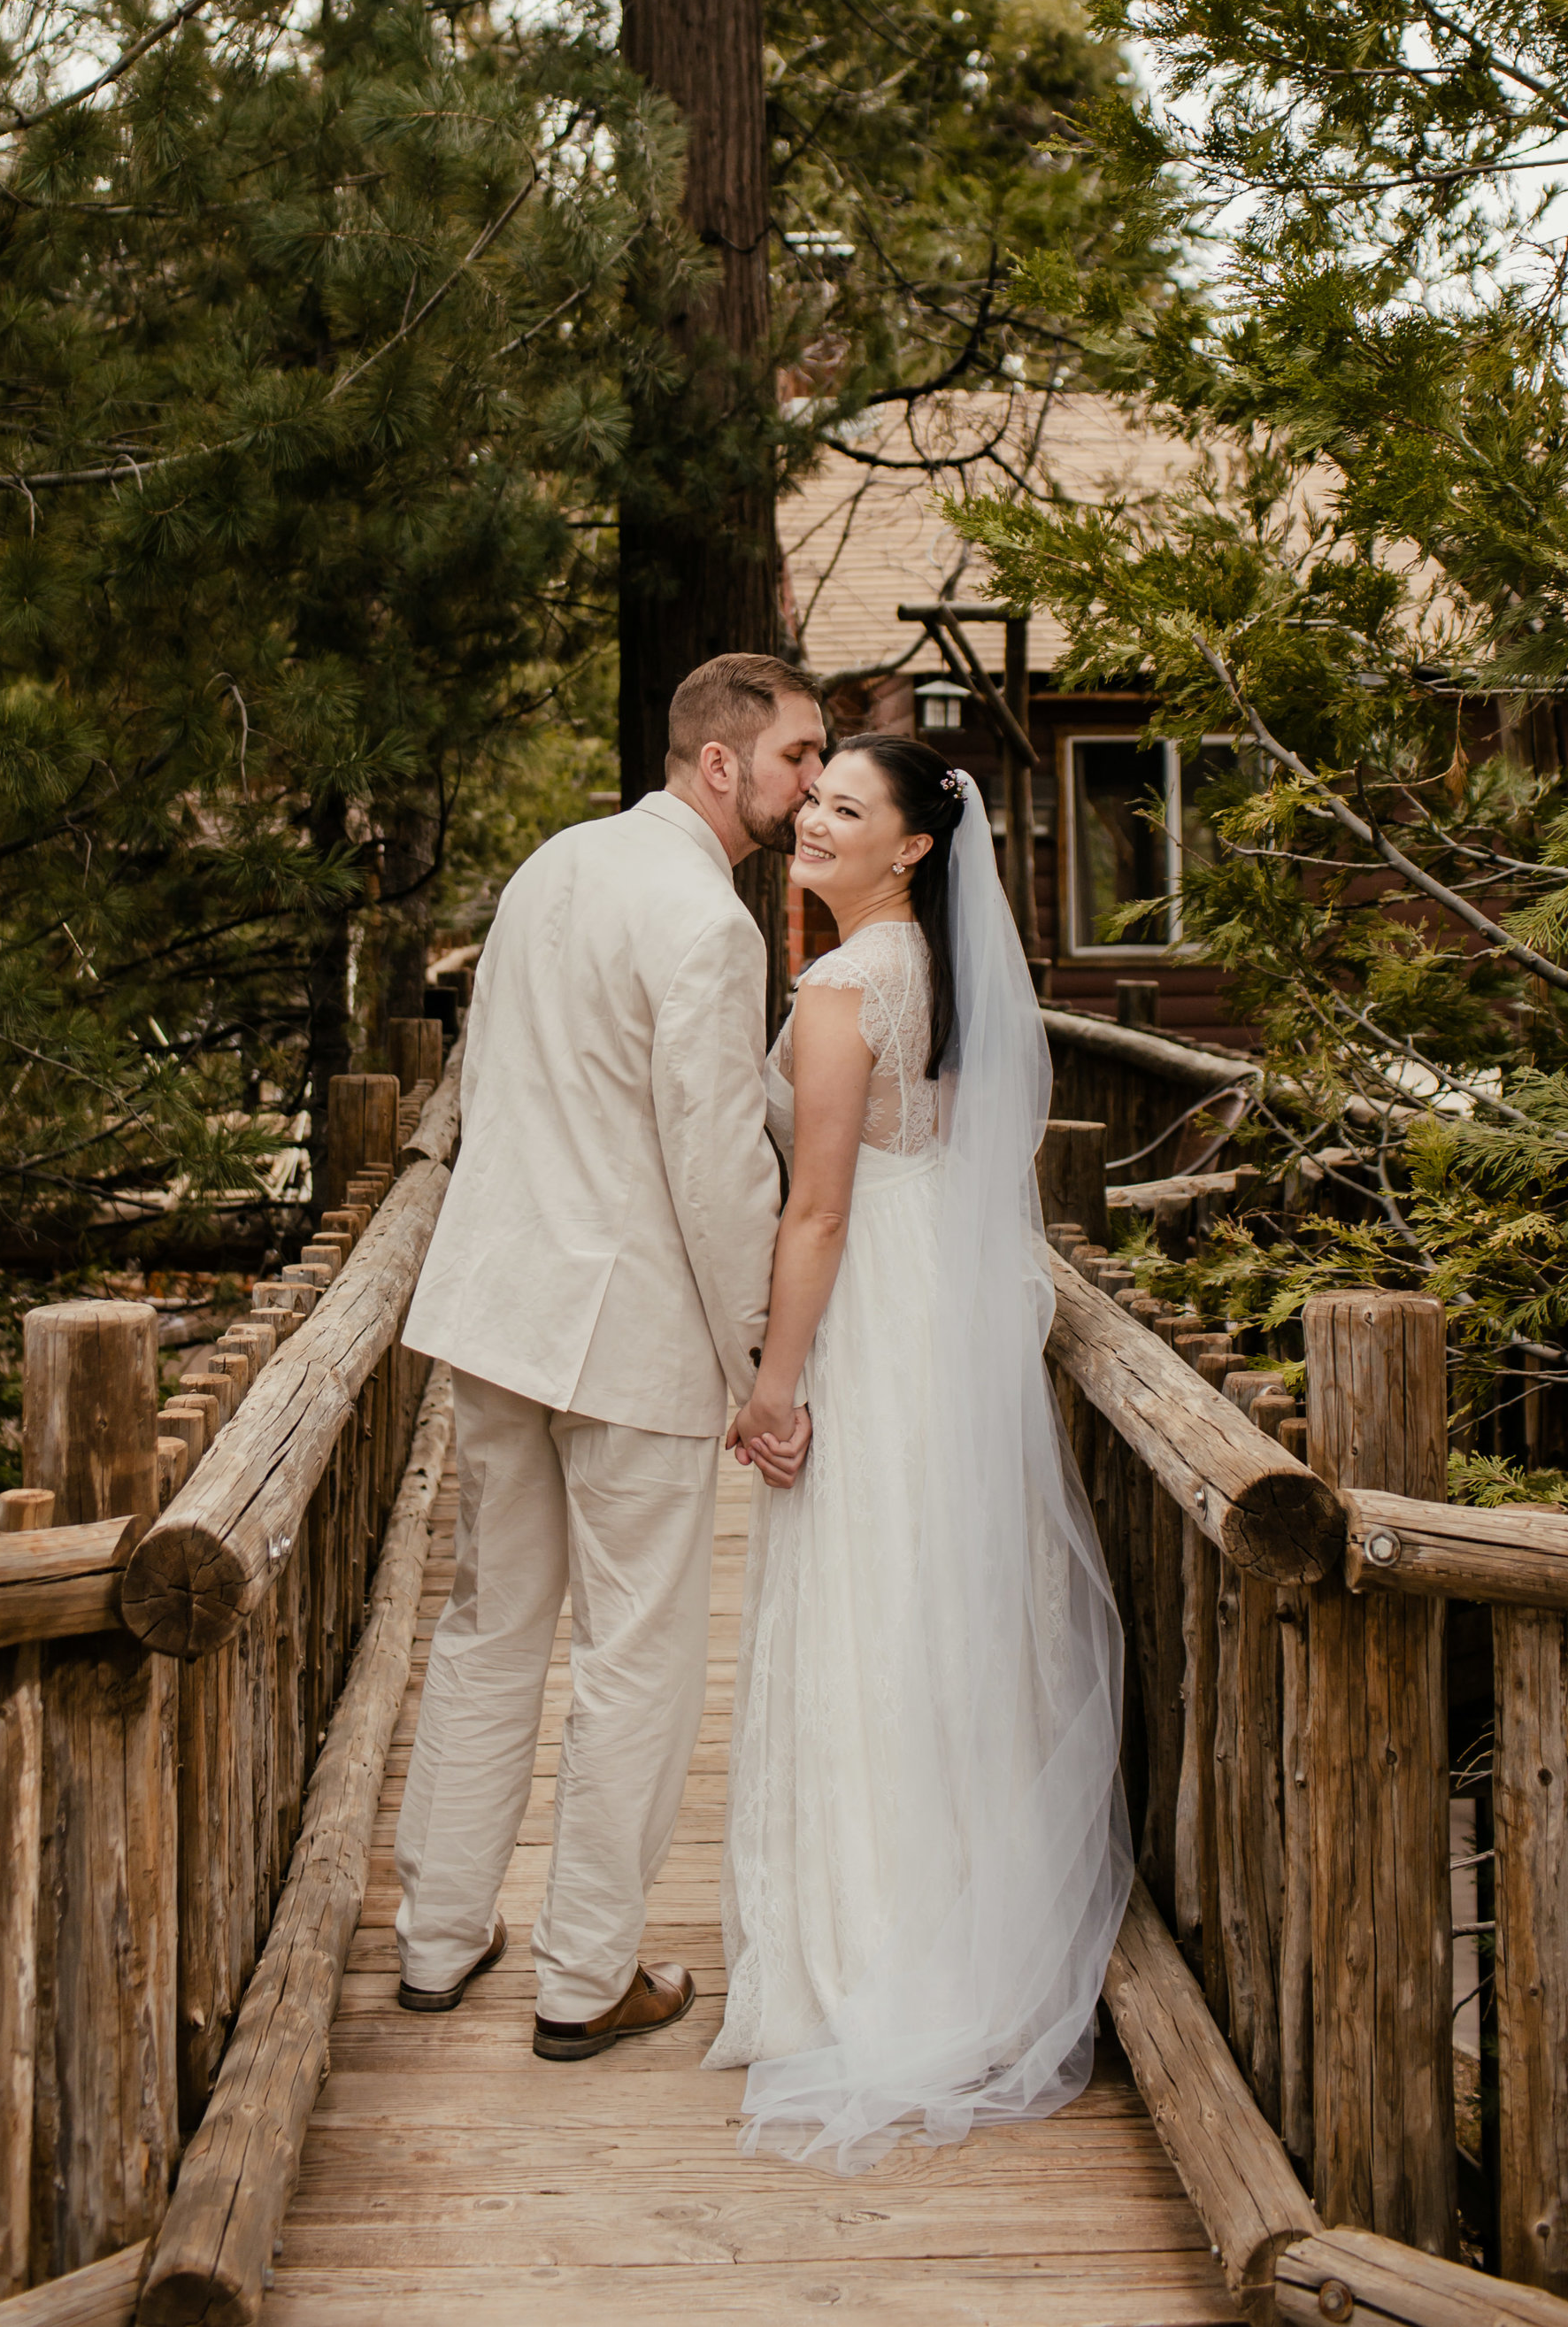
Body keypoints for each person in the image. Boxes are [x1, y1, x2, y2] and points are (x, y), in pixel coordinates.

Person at [391, 651, 826, 2061]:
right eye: (797, 758)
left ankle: (438, 1940)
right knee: (636, 1653)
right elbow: (716, 1169)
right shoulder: (708, 919)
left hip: (498, 1304)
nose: (811, 786)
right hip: (627, 1328)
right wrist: (763, 1356)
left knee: (487, 1625)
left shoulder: (551, 867)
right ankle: (585, 1978)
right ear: (720, 760)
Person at [708, 731, 1133, 2166]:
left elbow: (816, 1212)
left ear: (912, 847)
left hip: (869, 1314)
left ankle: (869, 1966)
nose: (810, 822)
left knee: (860, 1613)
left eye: (844, 810)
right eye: (808, 800)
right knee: (929, 1611)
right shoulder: (944, 973)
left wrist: (774, 1385)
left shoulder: (840, 988)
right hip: (937, 1308)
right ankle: (960, 1933)